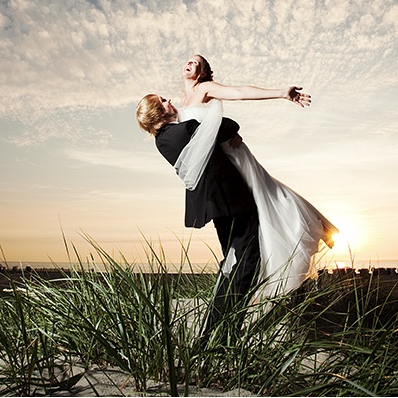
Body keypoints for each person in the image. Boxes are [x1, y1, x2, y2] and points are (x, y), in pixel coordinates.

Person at [179, 55, 338, 299]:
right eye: (188, 61)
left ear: (202, 73)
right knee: (256, 208)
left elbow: (240, 92)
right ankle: (250, 273)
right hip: (218, 164)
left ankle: (313, 226)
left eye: (196, 62)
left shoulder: (205, 88)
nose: (189, 63)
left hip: (232, 156)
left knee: (265, 197)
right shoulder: (182, 101)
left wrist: (281, 93)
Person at [137, 94, 261, 335]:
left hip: (216, 204)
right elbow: (229, 126)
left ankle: (214, 330)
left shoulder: (163, 141)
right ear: (159, 112)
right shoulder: (185, 130)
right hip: (230, 199)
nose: (169, 99)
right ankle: (225, 329)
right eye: (163, 100)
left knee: (232, 261)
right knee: (248, 260)